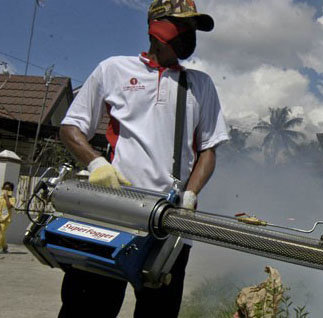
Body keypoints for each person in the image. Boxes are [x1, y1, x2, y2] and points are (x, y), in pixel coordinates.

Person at [58, 0, 229, 317]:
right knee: (87, 308)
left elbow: (208, 150)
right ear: (157, 26)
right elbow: (70, 128)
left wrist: (190, 196)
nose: (190, 35)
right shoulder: (114, 70)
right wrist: (97, 165)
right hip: (111, 213)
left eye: (193, 29)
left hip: (171, 225)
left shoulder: (200, 85)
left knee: (158, 313)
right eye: (184, 26)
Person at [0, 181, 16, 253]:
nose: (6, 191)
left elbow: (9, 206)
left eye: (8, 189)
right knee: (1, 234)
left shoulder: (12, 199)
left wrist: (6, 197)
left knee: (1, 234)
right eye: (5, 189)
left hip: (6, 220)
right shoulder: (0, 199)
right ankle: (4, 246)